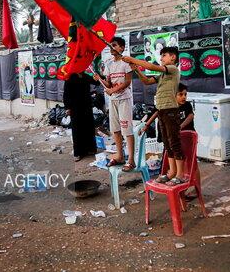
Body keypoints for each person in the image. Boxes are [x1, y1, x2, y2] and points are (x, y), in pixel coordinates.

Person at [125, 46, 186, 185]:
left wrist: (132, 59)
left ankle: (180, 174)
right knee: (167, 142)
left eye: (164, 55)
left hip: (171, 110)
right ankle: (172, 172)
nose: (161, 58)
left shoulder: (173, 69)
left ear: (173, 57)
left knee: (174, 142)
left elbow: (151, 66)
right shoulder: (163, 75)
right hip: (162, 110)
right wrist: (136, 70)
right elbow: (146, 81)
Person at [94, 37, 135, 172]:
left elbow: (127, 82)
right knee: (115, 130)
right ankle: (120, 156)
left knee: (127, 130)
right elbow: (108, 83)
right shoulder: (109, 64)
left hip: (124, 100)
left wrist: (113, 90)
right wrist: (99, 78)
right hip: (113, 101)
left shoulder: (126, 63)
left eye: (114, 45)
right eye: (110, 45)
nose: (111, 48)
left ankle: (131, 160)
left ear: (122, 48)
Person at [63, 72, 99, 161]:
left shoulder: (86, 76)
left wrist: (98, 76)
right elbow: (66, 93)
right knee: (77, 129)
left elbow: (97, 82)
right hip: (75, 107)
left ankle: (90, 149)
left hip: (86, 105)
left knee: (88, 127)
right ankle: (78, 153)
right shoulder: (69, 78)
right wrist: (67, 107)